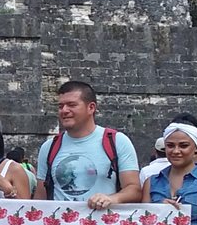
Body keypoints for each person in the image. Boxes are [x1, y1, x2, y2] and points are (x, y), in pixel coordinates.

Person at [35, 80, 141, 209]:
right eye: (60, 106)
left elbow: (134, 189)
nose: (64, 110)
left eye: (71, 105)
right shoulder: (49, 147)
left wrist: (111, 199)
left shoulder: (116, 141)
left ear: (91, 107)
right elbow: (40, 198)